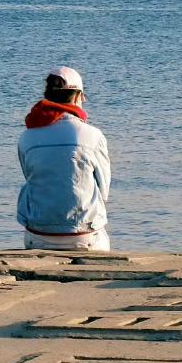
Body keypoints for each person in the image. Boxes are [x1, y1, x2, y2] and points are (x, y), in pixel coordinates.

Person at [16, 66, 112, 251]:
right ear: (78, 97)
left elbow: (29, 176)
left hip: (37, 236)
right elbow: (103, 190)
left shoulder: (27, 136)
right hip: (84, 238)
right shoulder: (93, 135)